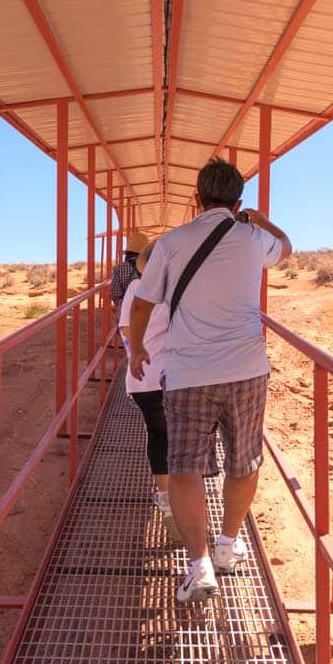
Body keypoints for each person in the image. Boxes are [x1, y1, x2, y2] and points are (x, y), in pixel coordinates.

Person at [127, 157, 292, 602]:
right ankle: (227, 544)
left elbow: (142, 303)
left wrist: (138, 348)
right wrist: (262, 221)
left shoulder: (171, 242)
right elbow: (288, 249)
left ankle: (198, 567)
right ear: (238, 201)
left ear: (197, 198)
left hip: (187, 373)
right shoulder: (254, 237)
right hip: (246, 369)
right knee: (244, 460)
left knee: (185, 467)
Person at [117, 239, 177, 539]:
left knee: (157, 433)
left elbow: (127, 330)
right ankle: (188, 501)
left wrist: (138, 350)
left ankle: (166, 499)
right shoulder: (183, 289)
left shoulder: (136, 290)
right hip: (182, 376)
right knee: (186, 437)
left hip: (145, 375)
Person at [111, 231, 148, 316]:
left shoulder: (118, 268)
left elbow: (115, 294)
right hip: (147, 313)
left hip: (126, 313)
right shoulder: (151, 266)